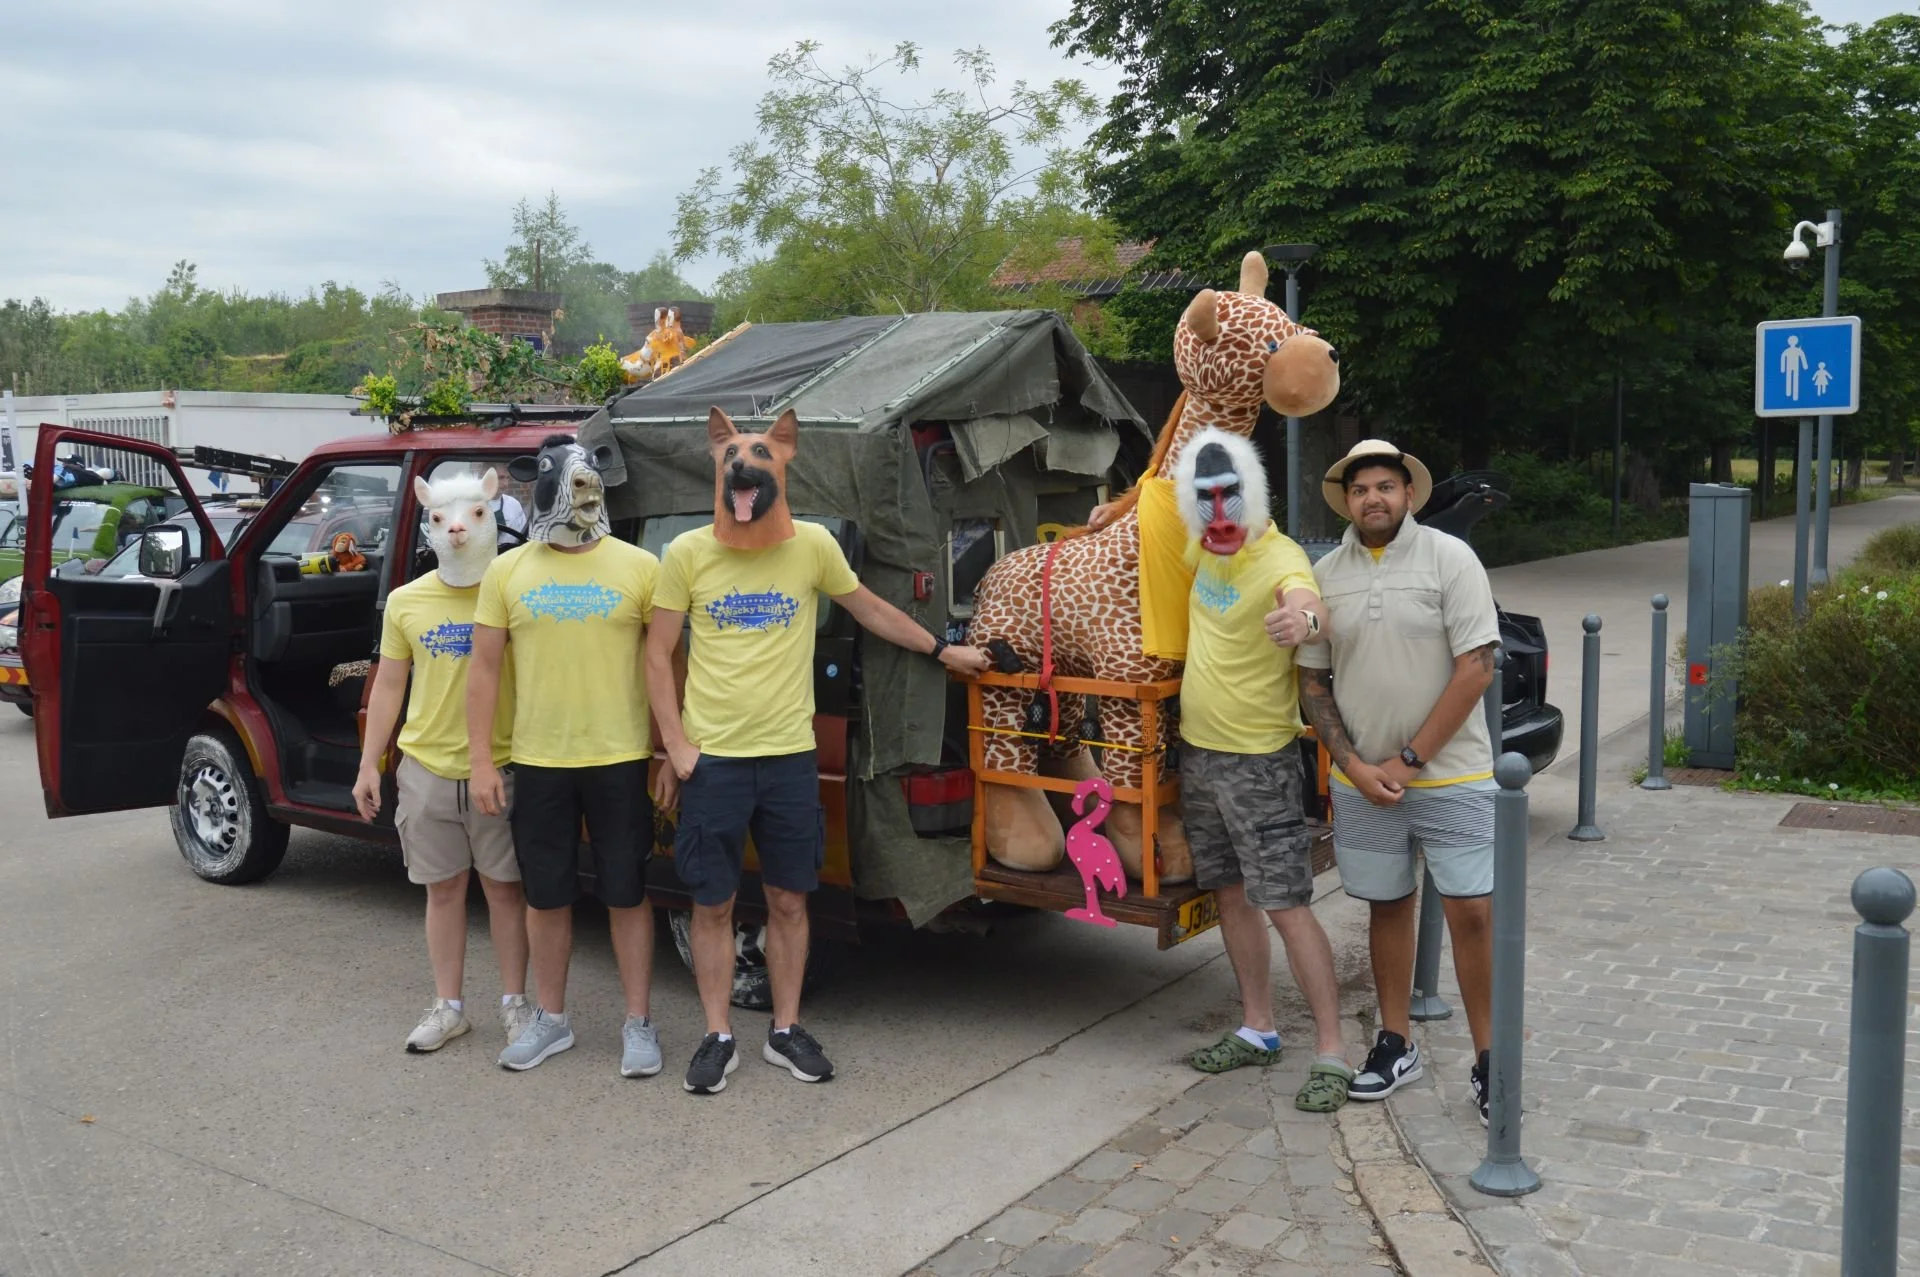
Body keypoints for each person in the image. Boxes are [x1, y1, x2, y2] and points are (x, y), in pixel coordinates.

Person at [647, 408, 992, 1095]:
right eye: (731, 460)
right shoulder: (687, 552)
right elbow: (658, 652)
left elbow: (869, 609)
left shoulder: (810, 546)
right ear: (718, 465)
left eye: (759, 458)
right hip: (714, 761)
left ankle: (784, 1028)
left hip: (787, 757)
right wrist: (676, 747)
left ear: (786, 457)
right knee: (711, 904)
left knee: (791, 899)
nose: (744, 472)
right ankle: (717, 1034)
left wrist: (939, 646)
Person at [1288, 439, 1501, 1124]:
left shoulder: (1450, 559)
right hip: (1362, 783)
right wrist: (1352, 764)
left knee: (1472, 911)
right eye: (1360, 489)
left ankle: (1491, 1056)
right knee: (1386, 906)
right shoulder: (1327, 574)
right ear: (1347, 501)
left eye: (1386, 485)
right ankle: (1394, 1040)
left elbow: (1477, 667)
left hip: (1454, 774)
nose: (1373, 497)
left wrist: (1407, 760)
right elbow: (1312, 679)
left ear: (1409, 492)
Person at [467, 434, 664, 1079]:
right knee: (545, 894)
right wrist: (481, 761)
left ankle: (638, 1022)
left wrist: (667, 751)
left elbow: (668, 664)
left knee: (626, 891)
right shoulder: (508, 570)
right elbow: (485, 671)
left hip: (621, 755)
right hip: (540, 758)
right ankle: (551, 1019)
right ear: (537, 484)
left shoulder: (640, 567)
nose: (577, 489)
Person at [1171, 428, 1354, 1112]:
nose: (1218, 513)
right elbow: (1156, 492)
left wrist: (1304, 624)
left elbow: (1309, 603)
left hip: (1261, 762)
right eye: (1206, 499)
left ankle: (1332, 1051)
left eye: (1229, 496)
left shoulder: (1278, 555)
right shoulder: (1202, 549)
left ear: (1252, 495)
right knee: (1230, 895)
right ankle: (1258, 1029)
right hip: (1200, 756)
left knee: (1286, 904)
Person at [353, 468, 532, 1053]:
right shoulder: (406, 602)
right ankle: (449, 1005)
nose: (456, 529)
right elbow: (388, 686)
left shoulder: (514, 592)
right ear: (427, 520)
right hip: (426, 767)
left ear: (492, 510)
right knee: (443, 890)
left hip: (502, 766)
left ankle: (515, 1003)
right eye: (440, 519)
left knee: (506, 890)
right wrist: (368, 763)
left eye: (474, 516)